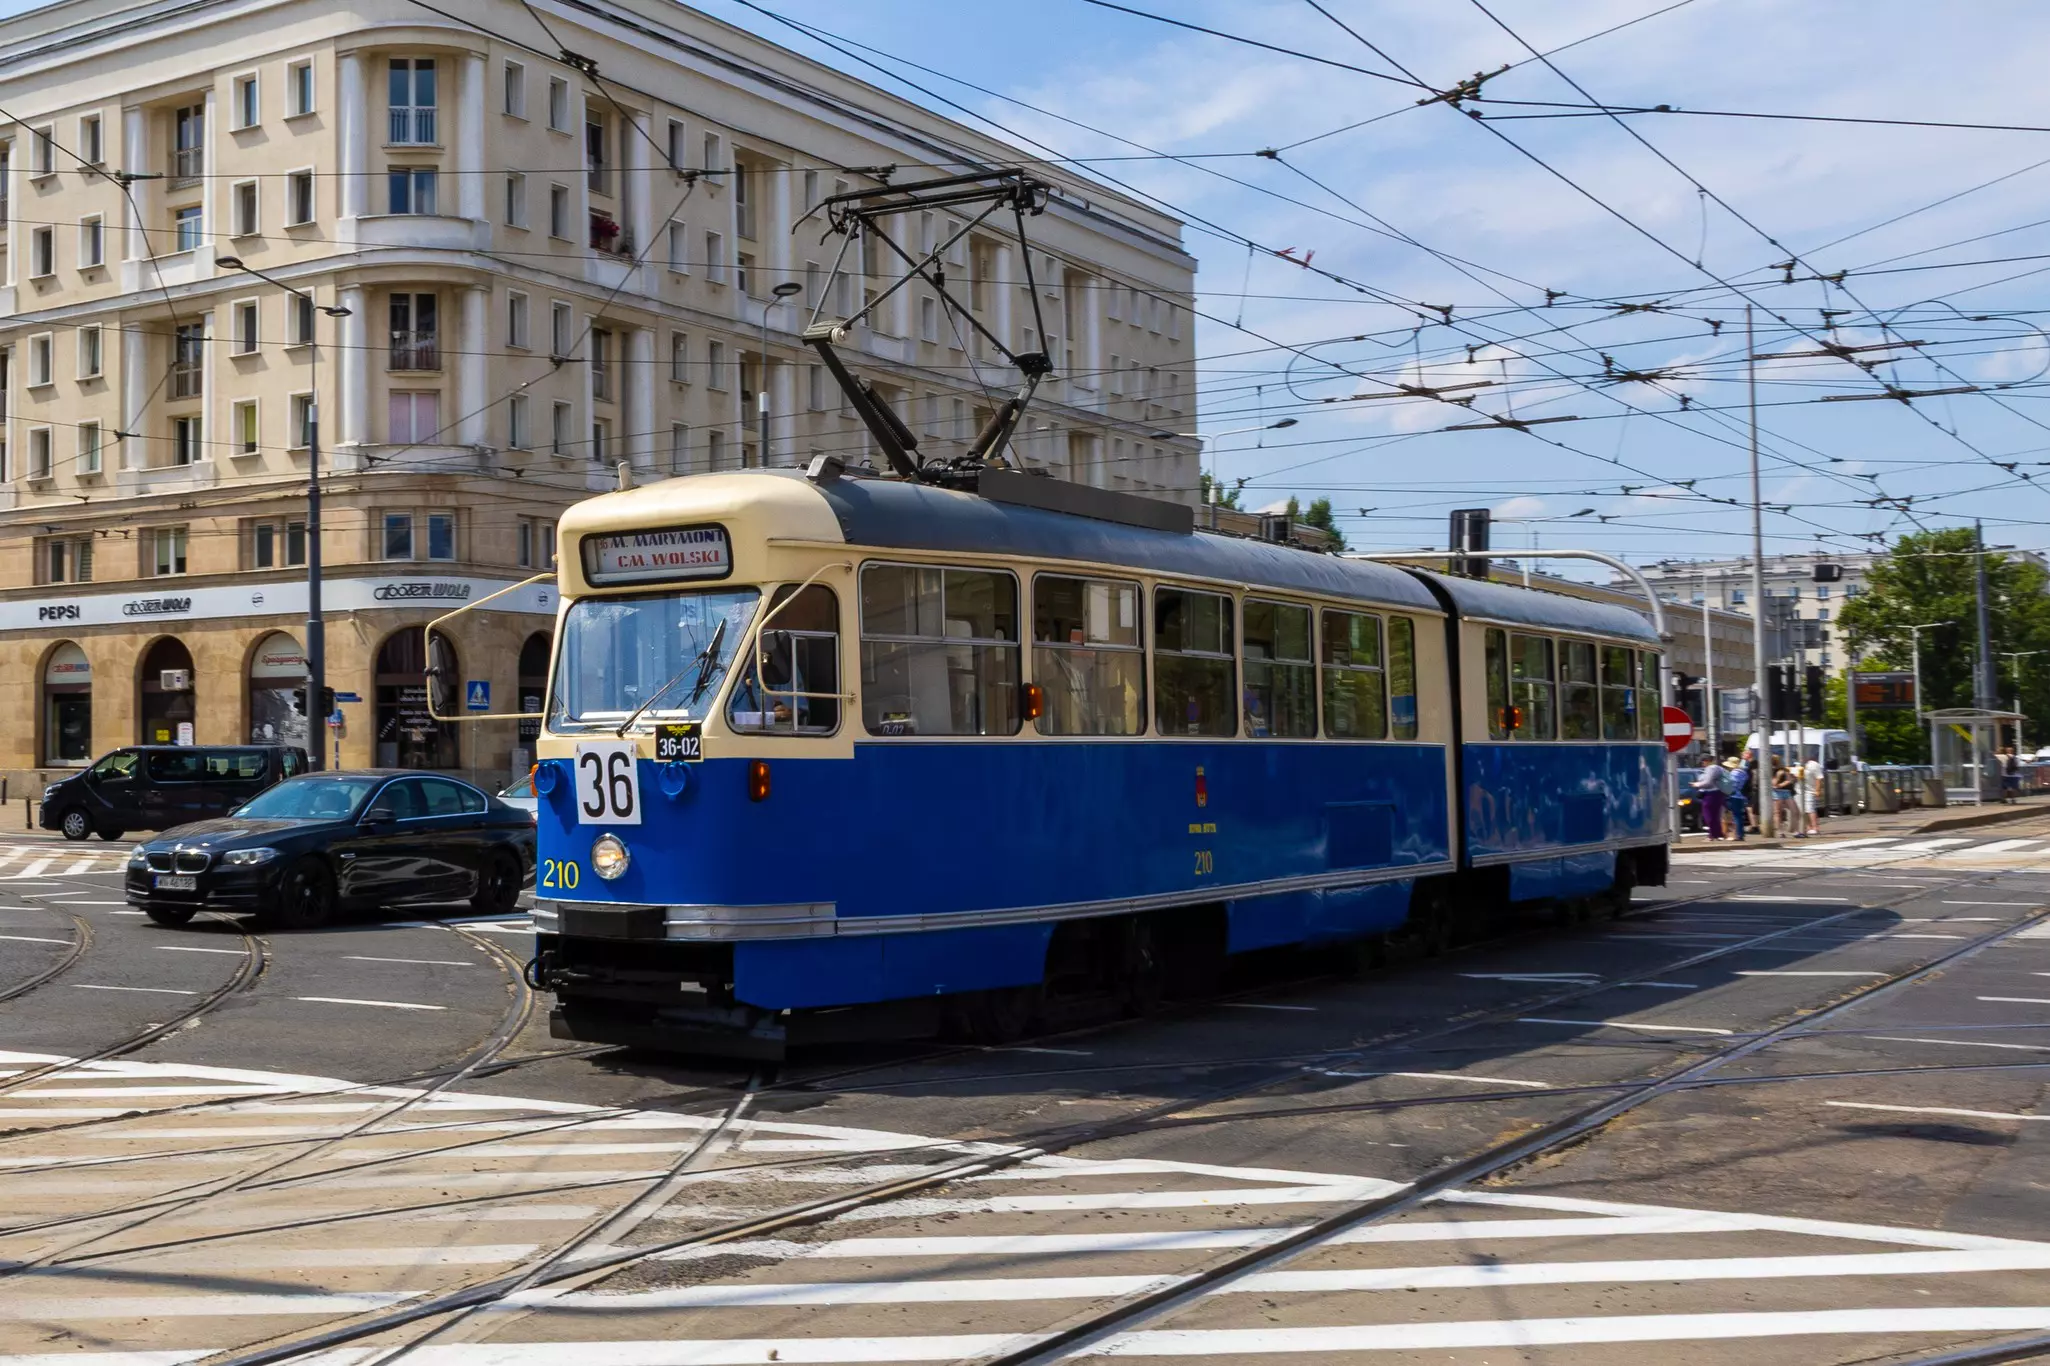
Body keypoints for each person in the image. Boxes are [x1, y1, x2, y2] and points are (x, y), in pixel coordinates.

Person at [1693, 760, 1729, 840]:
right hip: (1719, 793)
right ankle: (1718, 834)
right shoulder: (1719, 768)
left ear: (1706, 761)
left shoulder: (1710, 769)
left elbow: (1708, 782)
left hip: (1710, 794)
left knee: (1708, 815)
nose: (1702, 763)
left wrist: (1697, 784)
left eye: (1702, 761)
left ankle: (1712, 835)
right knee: (1716, 815)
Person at [1724, 757, 1750, 841]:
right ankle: (1740, 834)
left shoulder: (1734, 773)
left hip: (1734, 796)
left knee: (1735, 816)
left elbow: (1732, 785)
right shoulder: (1743, 773)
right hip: (1741, 796)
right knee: (1738, 816)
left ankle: (1737, 835)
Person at [1801, 752, 1825, 836]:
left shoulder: (1814, 765)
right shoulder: (1799, 765)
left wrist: (1818, 790)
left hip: (1810, 790)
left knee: (1810, 809)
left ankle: (1815, 828)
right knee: (1803, 810)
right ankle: (1808, 827)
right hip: (1800, 790)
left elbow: (1819, 778)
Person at [1772, 760, 1798, 834]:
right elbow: (1773, 784)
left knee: (1794, 810)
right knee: (1778, 812)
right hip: (1777, 793)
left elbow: (1789, 780)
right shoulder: (1770, 770)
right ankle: (1780, 831)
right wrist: (1778, 776)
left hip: (1786, 792)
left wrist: (1780, 784)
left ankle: (1795, 830)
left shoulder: (1784, 770)